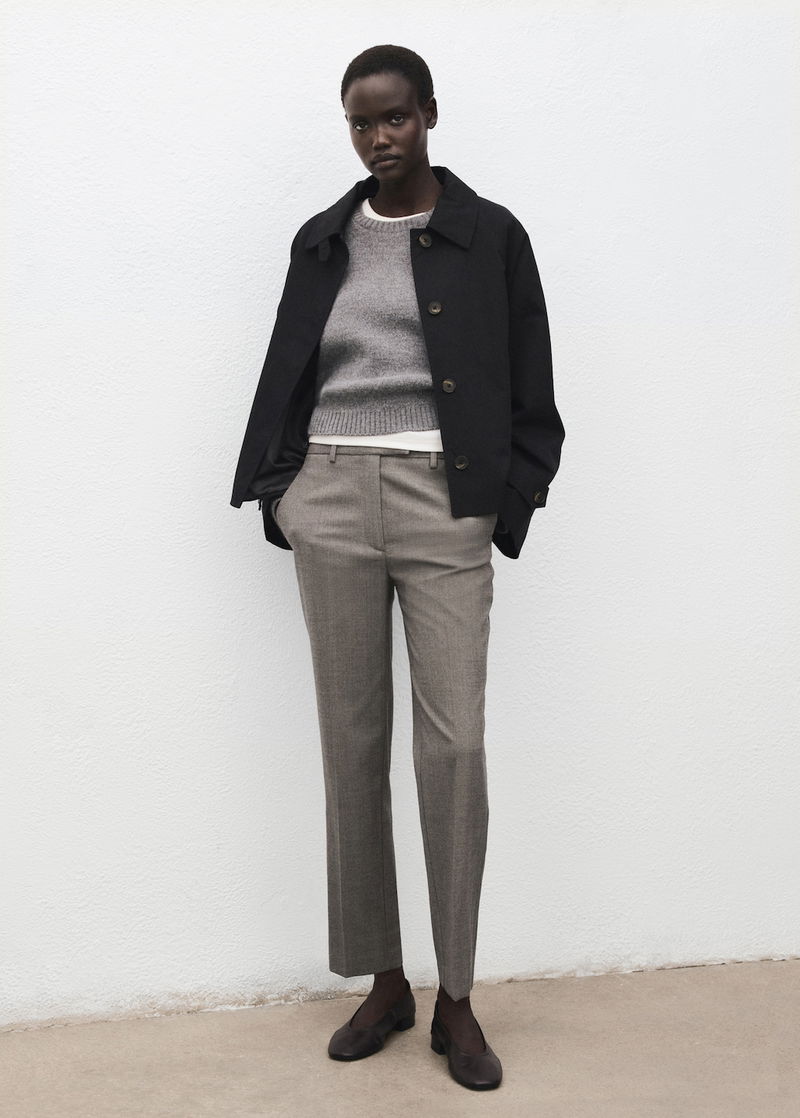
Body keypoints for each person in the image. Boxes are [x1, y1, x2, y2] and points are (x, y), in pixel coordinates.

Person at [230, 44, 565, 1092]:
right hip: (330, 495)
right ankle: (385, 981)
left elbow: (532, 382)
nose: (378, 139)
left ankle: (456, 994)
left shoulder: (489, 234)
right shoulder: (323, 239)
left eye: (395, 118)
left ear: (429, 114)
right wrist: (284, 491)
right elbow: (288, 367)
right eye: (360, 123)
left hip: (442, 500)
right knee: (352, 742)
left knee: (453, 745)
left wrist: (504, 497)